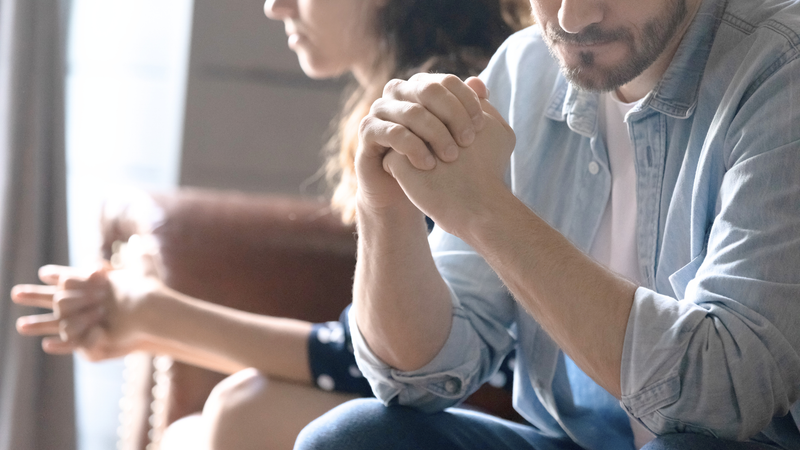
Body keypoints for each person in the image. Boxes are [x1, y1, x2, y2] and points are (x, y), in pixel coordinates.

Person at [9, 0, 532, 449]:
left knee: (248, 409)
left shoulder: (449, 110)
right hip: (443, 389)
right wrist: (144, 323)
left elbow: (378, 361)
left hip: (495, 401)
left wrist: (154, 317)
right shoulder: (410, 102)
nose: (274, 6)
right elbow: (363, 351)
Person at [291, 0, 800, 448]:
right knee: (348, 438)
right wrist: (385, 207)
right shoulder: (526, 66)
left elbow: (724, 395)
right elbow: (416, 376)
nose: (571, 18)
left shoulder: (781, 66)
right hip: (579, 441)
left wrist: (487, 210)